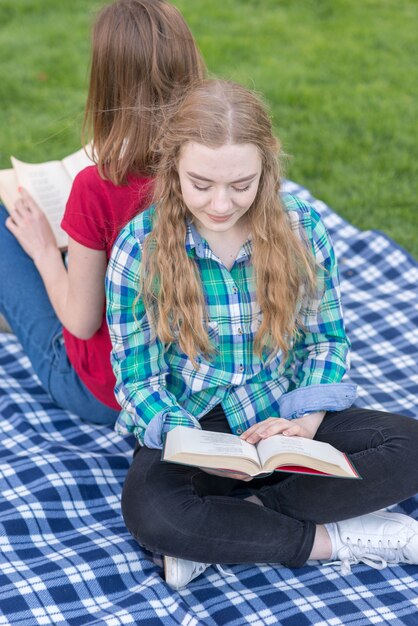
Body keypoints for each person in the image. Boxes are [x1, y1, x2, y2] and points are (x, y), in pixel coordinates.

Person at [105, 79, 418, 590]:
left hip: (285, 420)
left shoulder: (301, 228)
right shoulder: (138, 248)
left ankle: (231, 525)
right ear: (172, 168)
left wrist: (306, 421)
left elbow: (325, 340)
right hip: (194, 428)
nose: (222, 204)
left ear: (266, 168)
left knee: (410, 446)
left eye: (241, 185)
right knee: (156, 514)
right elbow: (138, 379)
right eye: (201, 184)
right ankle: (336, 540)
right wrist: (193, 442)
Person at [0, 0, 205, 424]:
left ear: (107, 86)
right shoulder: (215, 172)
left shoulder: (97, 187)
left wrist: (42, 251)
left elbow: (79, 321)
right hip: (199, 387)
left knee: (16, 226)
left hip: (107, 393)